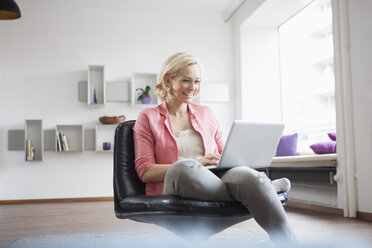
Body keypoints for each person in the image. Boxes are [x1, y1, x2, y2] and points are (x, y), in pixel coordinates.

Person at [133, 52, 296, 243]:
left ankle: (287, 239)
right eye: (186, 80)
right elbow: (145, 171)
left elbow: (225, 154)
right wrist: (197, 163)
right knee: (184, 167)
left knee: (248, 176)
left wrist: (226, 160)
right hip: (179, 180)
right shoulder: (147, 117)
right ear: (168, 80)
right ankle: (263, 188)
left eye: (196, 81)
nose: (193, 87)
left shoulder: (206, 113)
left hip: (214, 178)